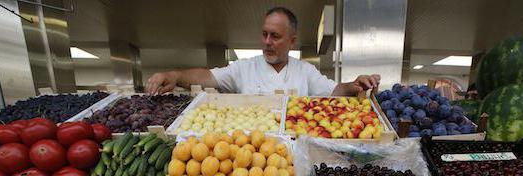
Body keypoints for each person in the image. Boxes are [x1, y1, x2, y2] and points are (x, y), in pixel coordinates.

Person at [146, 7, 380, 96]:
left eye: (275, 36)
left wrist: (355, 84)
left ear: (292, 41)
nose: (267, 41)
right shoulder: (244, 68)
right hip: (252, 159)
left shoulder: (305, 71)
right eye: (264, 34)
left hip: (292, 155)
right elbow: (207, 76)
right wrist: (175, 75)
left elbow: (336, 90)